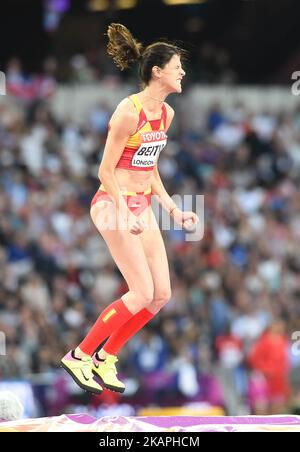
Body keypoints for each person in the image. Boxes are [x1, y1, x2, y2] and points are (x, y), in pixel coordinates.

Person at [61, 23, 199, 394]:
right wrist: (124, 211)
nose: (183, 72)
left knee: (160, 296)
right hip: (112, 203)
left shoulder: (165, 115)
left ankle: (106, 359)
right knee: (139, 292)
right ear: (158, 72)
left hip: (140, 205)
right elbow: (105, 170)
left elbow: (149, 168)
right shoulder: (128, 111)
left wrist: (174, 211)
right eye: (177, 66)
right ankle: (81, 355)